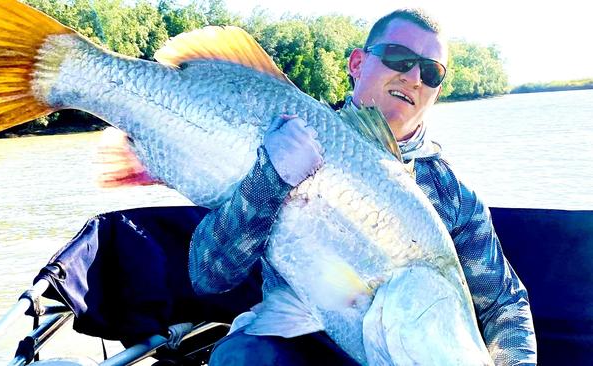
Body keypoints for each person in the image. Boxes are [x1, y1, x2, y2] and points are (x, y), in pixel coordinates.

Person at [188, 8, 537, 365]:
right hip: (291, 344)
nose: (414, 77)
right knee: (244, 357)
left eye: (431, 72)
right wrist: (270, 179)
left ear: (437, 91)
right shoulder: (279, 132)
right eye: (398, 58)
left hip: (389, 353)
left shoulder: (454, 200)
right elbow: (208, 275)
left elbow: (503, 305)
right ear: (357, 64)